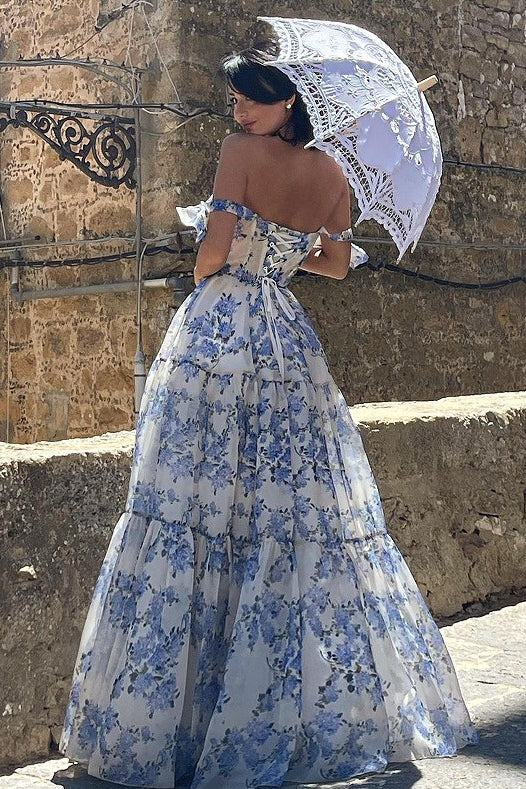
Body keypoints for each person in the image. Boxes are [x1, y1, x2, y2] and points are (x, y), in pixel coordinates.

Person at [59, 46, 477, 789]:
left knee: (193, 501)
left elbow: (213, 256)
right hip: (285, 339)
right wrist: (285, 254)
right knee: (282, 512)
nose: (240, 110)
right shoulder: (335, 175)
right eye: (237, 99)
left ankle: (176, 719)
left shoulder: (238, 152)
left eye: (253, 97)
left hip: (221, 330)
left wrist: (219, 250)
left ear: (289, 103)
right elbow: (337, 264)